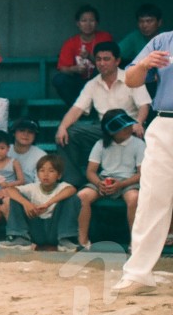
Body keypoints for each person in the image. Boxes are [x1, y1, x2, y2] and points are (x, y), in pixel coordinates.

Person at [114, 31, 173, 294]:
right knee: (151, 198)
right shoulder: (164, 41)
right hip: (165, 122)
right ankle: (138, 274)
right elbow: (130, 79)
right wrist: (145, 63)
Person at [54, 41, 149, 188]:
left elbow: (144, 105)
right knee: (67, 133)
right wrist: (62, 127)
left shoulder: (131, 78)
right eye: (98, 59)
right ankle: (73, 181)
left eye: (106, 59)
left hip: (128, 129)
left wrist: (139, 122)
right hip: (104, 130)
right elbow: (76, 109)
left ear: (117, 61)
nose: (101, 63)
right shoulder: (92, 84)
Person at [75, 110, 144, 251]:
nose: (128, 128)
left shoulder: (138, 144)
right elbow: (91, 171)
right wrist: (98, 183)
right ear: (111, 132)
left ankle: (135, 242)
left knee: (134, 198)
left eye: (128, 125)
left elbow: (141, 173)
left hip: (128, 181)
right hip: (105, 180)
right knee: (82, 196)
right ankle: (82, 241)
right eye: (123, 127)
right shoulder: (100, 144)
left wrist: (122, 184)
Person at [0, 155, 80, 252]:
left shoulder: (62, 186)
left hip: (55, 231)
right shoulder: (33, 187)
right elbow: (10, 190)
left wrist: (48, 204)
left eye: (51, 171)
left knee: (71, 198)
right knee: (16, 197)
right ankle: (21, 239)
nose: (46, 174)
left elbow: (72, 190)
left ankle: (66, 240)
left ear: (59, 175)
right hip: (36, 230)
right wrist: (26, 204)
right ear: (37, 174)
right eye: (42, 171)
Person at [53, 5, 114, 107]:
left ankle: (97, 110)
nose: (88, 24)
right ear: (78, 23)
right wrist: (74, 69)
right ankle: (79, 109)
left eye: (91, 20)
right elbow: (62, 68)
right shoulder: (71, 43)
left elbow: (111, 64)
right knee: (59, 79)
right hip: (79, 83)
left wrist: (89, 57)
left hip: (98, 81)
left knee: (102, 73)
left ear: (97, 23)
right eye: (84, 21)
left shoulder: (104, 37)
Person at [117, 4, 163, 73]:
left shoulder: (167, 38)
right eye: (141, 21)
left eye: (149, 21)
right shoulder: (135, 37)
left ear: (159, 23)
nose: (144, 25)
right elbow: (114, 54)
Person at [10, 119, 47, 183]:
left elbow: (40, 185)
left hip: (30, 190)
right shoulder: (3, 150)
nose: (26, 134)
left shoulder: (41, 156)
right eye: (22, 130)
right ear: (14, 133)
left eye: (30, 132)